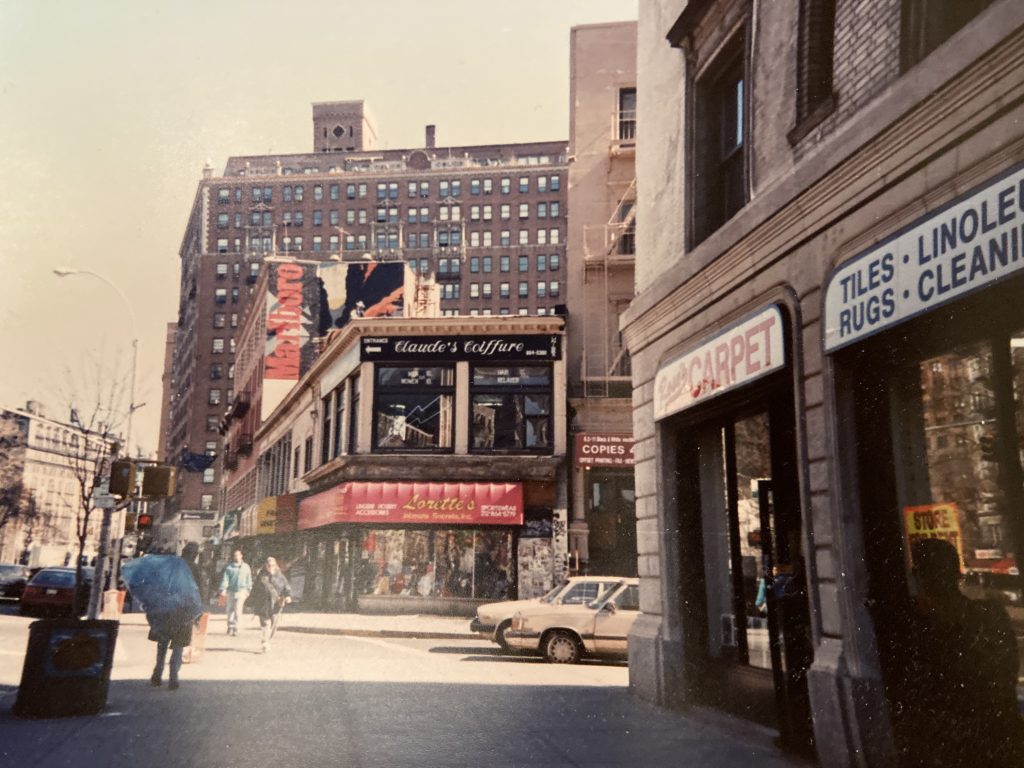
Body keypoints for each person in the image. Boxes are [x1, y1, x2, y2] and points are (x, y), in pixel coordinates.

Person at [896, 538, 1024, 767]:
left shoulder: (921, 631)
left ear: (919, 577)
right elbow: (1007, 672)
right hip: (1001, 739)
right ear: (958, 574)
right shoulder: (990, 615)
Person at [122, 553, 202, 692]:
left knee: (162, 644)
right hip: (184, 612)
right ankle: (173, 677)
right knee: (178, 646)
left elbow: (144, 584)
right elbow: (198, 591)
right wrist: (197, 614)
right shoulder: (192, 568)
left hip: (164, 611)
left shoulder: (166, 567)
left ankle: (157, 674)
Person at [250, 556, 292, 653]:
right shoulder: (261, 576)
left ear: (275, 565)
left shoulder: (280, 575)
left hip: (276, 604)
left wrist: (288, 596)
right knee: (265, 624)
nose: (271, 567)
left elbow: (286, 586)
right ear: (266, 566)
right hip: (263, 604)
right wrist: (250, 603)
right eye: (269, 565)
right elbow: (254, 590)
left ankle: (268, 639)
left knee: (274, 625)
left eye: (273, 565)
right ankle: (265, 642)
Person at [218, 549, 253, 636]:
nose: (236, 557)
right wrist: (223, 589)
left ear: (241, 556)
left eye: (238, 555)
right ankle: (230, 626)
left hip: (242, 591)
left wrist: (249, 589)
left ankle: (236, 627)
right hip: (231, 591)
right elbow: (225, 579)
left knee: (238, 610)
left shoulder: (246, 567)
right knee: (230, 609)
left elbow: (249, 579)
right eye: (235, 555)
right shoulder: (229, 567)